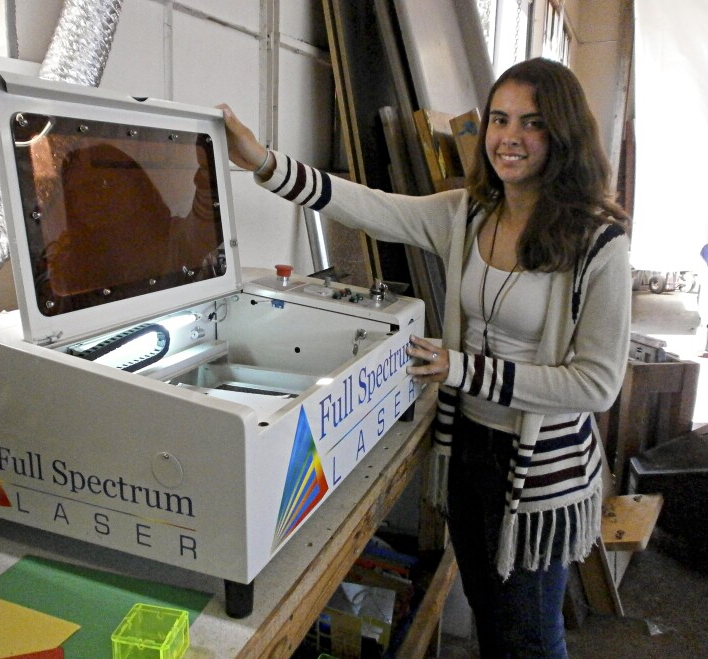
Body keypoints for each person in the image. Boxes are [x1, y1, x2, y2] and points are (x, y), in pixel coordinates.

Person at [220, 57, 630, 658]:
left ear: (563, 135)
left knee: (532, 638)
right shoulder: (467, 213)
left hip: (540, 475)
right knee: (493, 623)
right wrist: (262, 161)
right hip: (468, 450)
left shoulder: (598, 241)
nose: (508, 138)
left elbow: (597, 386)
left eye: (532, 123)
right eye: (499, 119)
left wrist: (459, 368)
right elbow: (367, 206)